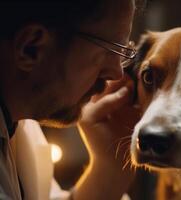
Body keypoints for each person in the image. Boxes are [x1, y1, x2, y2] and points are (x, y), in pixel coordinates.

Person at [0, 0, 143, 199]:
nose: (116, 73)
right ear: (30, 48)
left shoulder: (17, 124)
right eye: (109, 50)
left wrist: (109, 167)